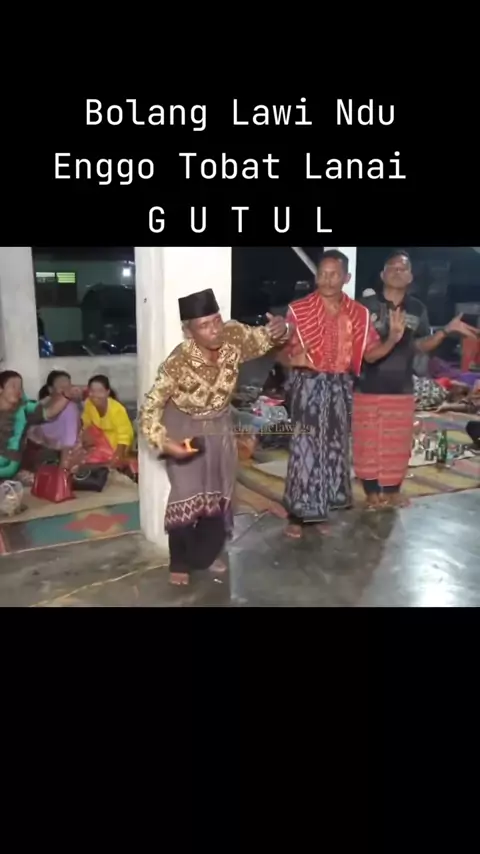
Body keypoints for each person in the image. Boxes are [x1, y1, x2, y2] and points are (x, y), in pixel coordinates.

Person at [139, 288, 290, 586]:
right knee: (186, 494)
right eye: (204, 325)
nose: (215, 330)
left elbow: (268, 338)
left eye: (217, 320)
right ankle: (179, 561)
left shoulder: (233, 336)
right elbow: (149, 410)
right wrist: (164, 442)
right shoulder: (177, 363)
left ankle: (206, 555)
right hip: (183, 429)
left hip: (219, 425)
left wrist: (281, 329)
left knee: (219, 491)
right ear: (188, 331)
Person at [277, 250, 399, 539]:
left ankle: (319, 512)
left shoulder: (359, 314)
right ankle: (297, 515)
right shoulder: (298, 310)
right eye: (322, 274)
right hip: (307, 384)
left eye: (334, 274)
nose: (327, 280)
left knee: (333, 450)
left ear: (347, 277)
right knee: (305, 449)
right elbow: (280, 351)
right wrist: (292, 360)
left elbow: (370, 354)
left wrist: (393, 339)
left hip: (341, 386)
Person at [352, 250, 479, 508]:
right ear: (382, 274)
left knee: (397, 443)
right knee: (368, 442)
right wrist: (391, 337)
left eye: (403, 268)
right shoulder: (364, 307)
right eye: (393, 267)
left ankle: (392, 489)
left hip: (402, 387)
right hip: (367, 385)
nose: (398, 272)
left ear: (410, 276)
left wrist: (445, 332)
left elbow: (421, 345)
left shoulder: (417, 308)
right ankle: (371, 493)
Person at [0, 370, 78, 481]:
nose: (18, 391)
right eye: (13, 386)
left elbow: (49, 413)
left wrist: (66, 396)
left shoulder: (24, 409)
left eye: (20, 387)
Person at [82, 375, 135, 465]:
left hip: (117, 444)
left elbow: (124, 436)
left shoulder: (117, 409)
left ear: (107, 392)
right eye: (92, 391)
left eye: (100, 391)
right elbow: (86, 423)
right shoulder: (88, 403)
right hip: (99, 438)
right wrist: (84, 439)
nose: (95, 395)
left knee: (103, 464)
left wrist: (118, 456)